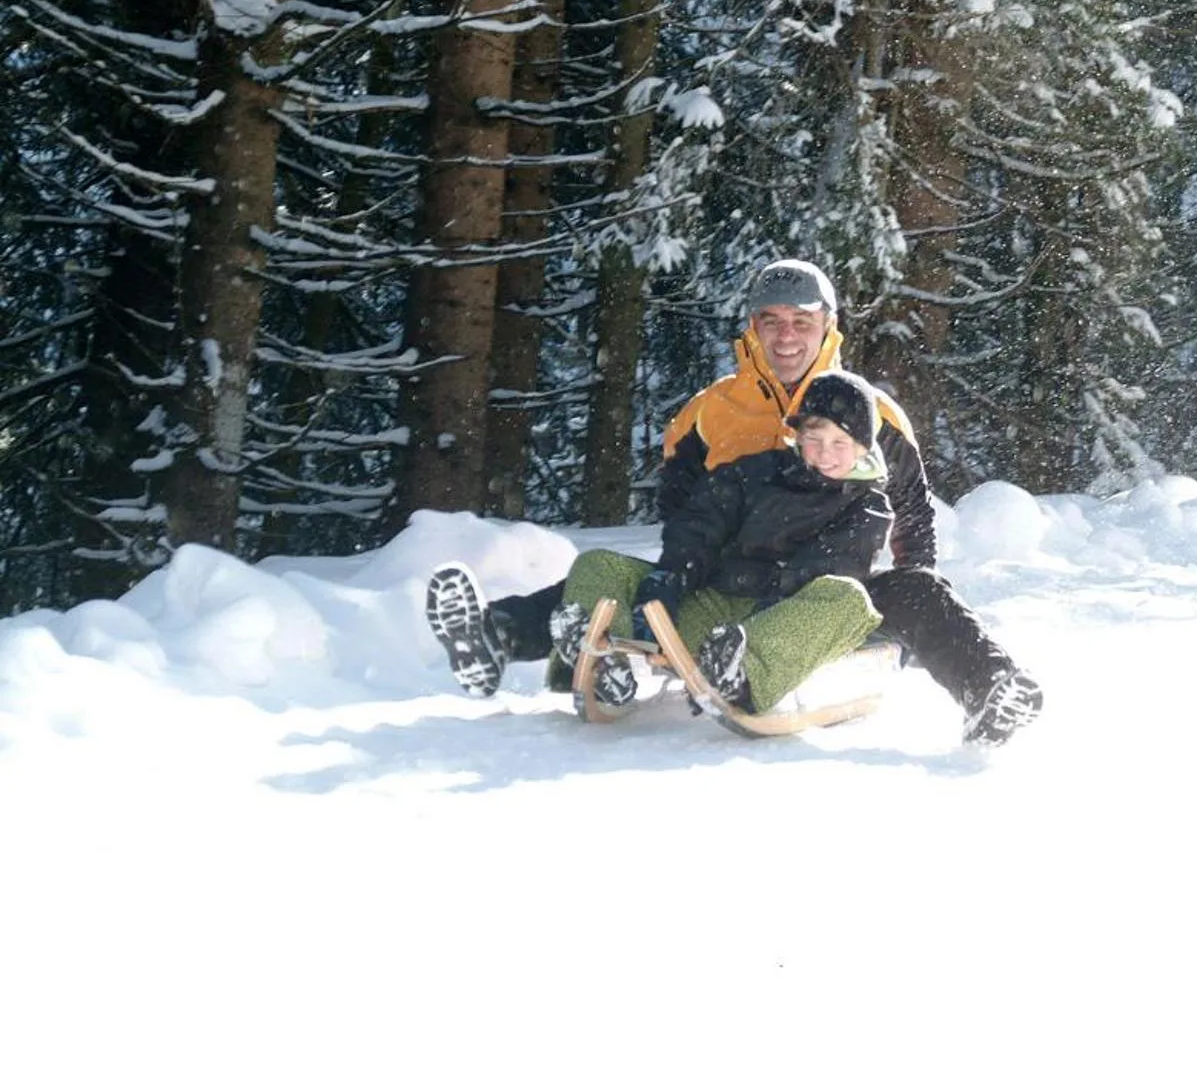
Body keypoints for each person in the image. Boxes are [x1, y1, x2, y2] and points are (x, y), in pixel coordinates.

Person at [425, 259, 1044, 744]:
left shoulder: (873, 412)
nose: (786, 335)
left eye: (801, 321)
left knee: (913, 590)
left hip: (830, 587)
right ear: (751, 327)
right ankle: (503, 636)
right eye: (771, 320)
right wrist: (681, 573)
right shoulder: (711, 411)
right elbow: (685, 510)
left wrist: (906, 625)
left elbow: (912, 514)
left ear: (827, 326)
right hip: (728, 574)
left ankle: (992, 692)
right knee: (613, 571)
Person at [559, 370, 892, 715]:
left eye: (840, 443)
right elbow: (701, 522)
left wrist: (758, 619)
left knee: (849, 598)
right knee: (597, 562)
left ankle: (740, 674)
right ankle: (603, 660)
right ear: (798, 437)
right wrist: (671, 578)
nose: (825, 454)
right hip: (713, 610)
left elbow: (831, 564)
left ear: (862, 448)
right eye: (815, 439)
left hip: (783, 628)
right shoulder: (757, 472)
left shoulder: (867, 504)